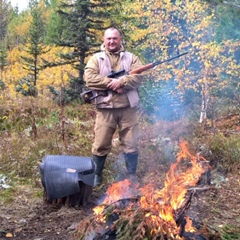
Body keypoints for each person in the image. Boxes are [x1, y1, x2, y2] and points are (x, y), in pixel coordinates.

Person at [84, 26, 144, 186]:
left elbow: (139, 77)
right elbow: (89, 78)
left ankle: (131, 175)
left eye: (115, 38)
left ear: (120, 40)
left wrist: (122, 81)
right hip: (105, 109)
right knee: (101, 143)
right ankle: (97, 175)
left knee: (131, 143)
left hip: (128, 108)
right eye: (109, 38)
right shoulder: (96, 59)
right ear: (104, 40)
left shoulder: (132, 58)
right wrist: (111, 83)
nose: (112, 41)